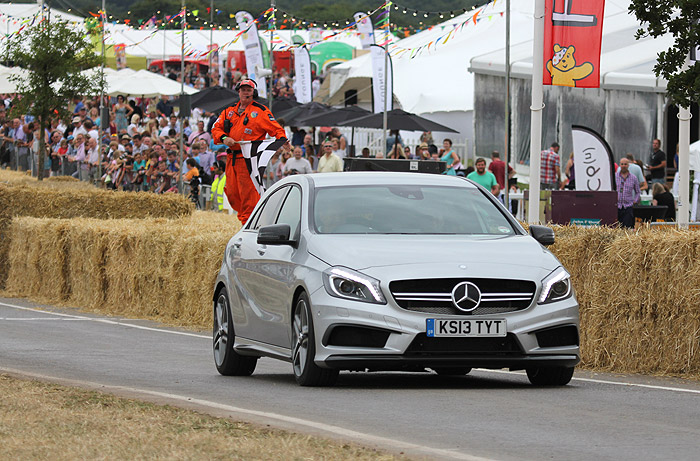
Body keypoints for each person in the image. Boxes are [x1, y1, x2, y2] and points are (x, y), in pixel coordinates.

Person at [212, 78, 290, 225]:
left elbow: (276, 128)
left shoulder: (260, 111)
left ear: (253, 93)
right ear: (238, 92)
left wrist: (283, 140)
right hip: (231, 159)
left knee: (248, 195)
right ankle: (247, 221)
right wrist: (224, 138)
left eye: (249, 90)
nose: (246, 92)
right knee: (232, 194)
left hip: (248, 159)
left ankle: (248, 225)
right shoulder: (229, 111)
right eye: (243, 90)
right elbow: (216, 128)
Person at [615, 158, 641, 229]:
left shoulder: (633, 178)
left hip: (628, 206)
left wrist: (635, 201)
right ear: (620, 165)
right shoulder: (615, 176)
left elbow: (638, 191)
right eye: (622, 164)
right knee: (617, 228)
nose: (623, 166)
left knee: (628, 228)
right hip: (617, 206)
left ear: (628, 165)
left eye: (625, 164)